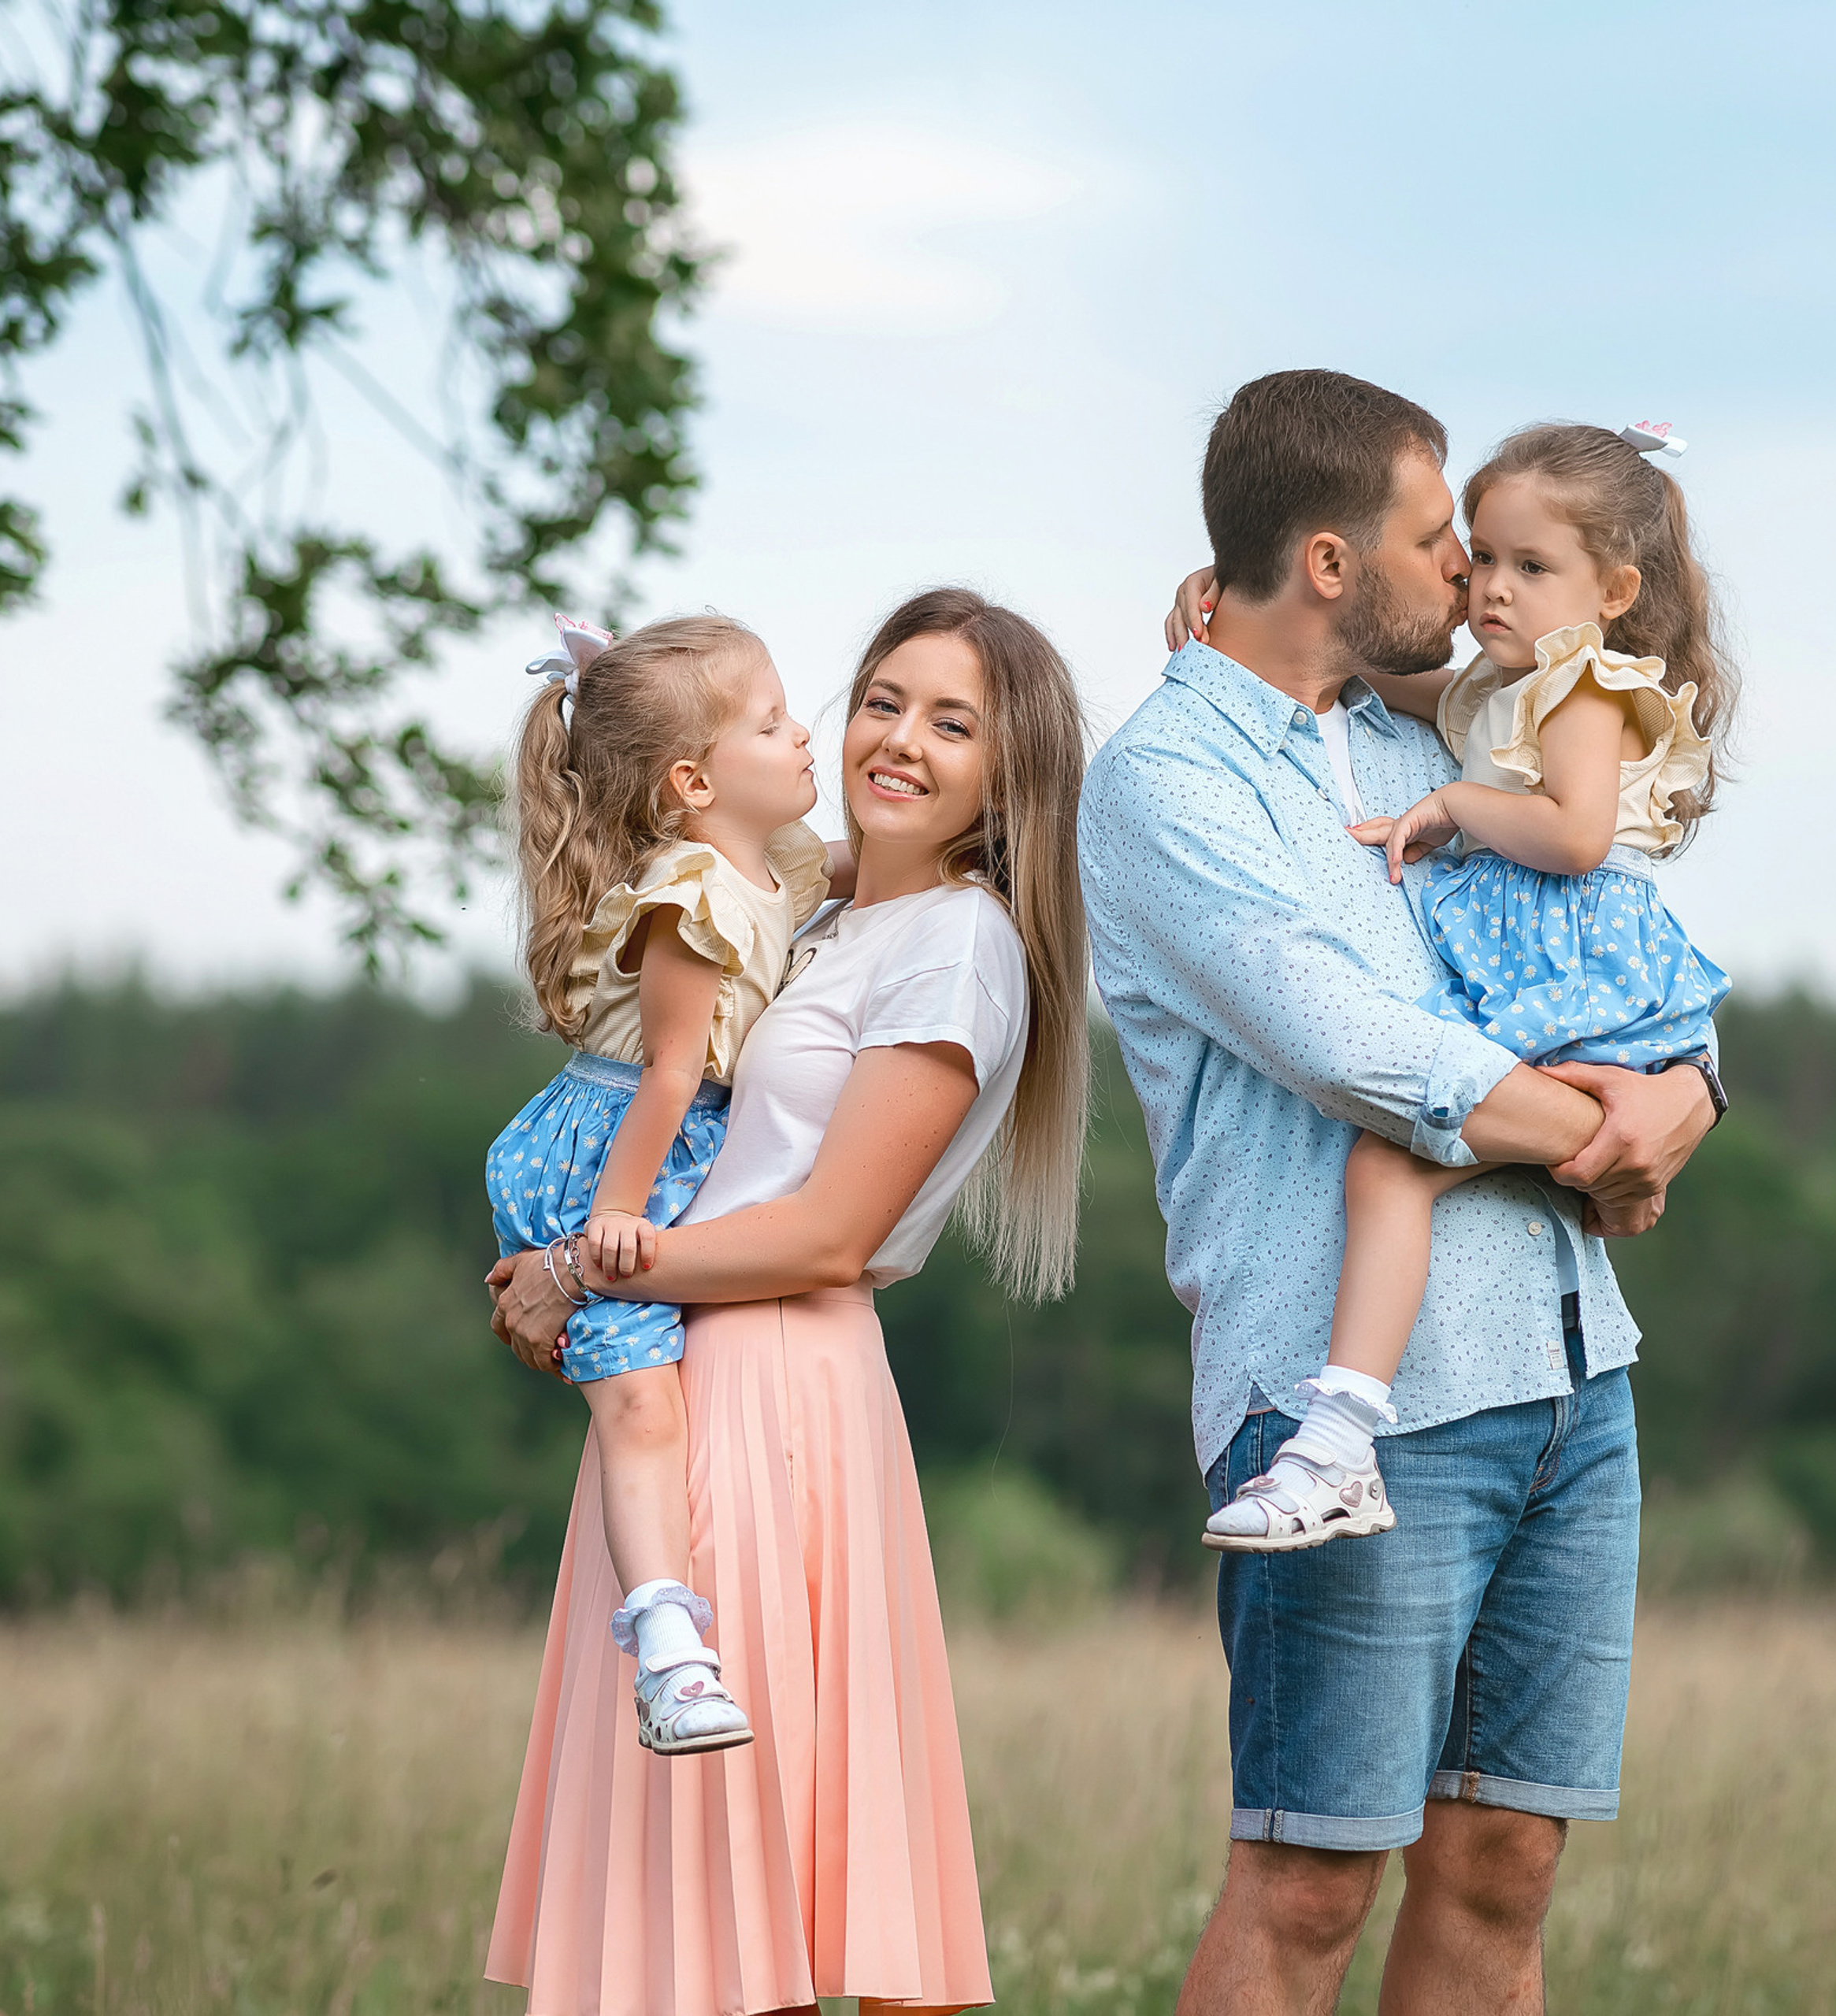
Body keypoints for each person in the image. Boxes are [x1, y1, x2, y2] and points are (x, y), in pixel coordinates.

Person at [1079, 369, 1721, 2014]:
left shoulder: (1429, 731)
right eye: (1437, 539)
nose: (1465, 571)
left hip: (1570, 1369)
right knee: (1306, 1879)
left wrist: (1688, 1085)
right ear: (1323, 560)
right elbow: (1353, 1047)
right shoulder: (1166, 784)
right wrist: (1602, 1134)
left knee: (1504, 1868)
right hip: (1354, 1401)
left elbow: (1609, 943)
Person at [484, 586, 1090, 2016]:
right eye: (883, 698)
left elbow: (826, 1233)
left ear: (1010, 775)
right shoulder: (808, 912)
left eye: (956, 723)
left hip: (781, 1382)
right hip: (690, 1366)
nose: (898, 739)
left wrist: (574, 1267)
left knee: (755, 1872)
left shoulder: (954, 944)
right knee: (695, 1881)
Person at [1189, 421, 1736, 1555]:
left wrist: (1455, 810)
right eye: (1478, 555)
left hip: (1571, 970)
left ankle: (1338, 1435)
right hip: (1539, 980)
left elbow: (1577, 837)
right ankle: (1341, 1435)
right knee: (1398, 1166)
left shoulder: (1585, 687)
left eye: (1527, 568)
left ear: (1616, 589)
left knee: (1394, 1162)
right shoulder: (1501, 684)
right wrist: (1233, 601)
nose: (1485, 586)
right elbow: (1381, 669)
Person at [488, 613, 835, 1756]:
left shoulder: (763, 861)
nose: (805, 737)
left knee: (664, 1401)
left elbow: (848, 870)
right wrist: (611, 1225)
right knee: (640, 1409)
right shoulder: (690, 896)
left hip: (660, 1140)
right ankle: (671, 1656)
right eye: (774, 722)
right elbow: (671, 1076)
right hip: (611, 1152)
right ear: (693, 781)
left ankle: (676, 1640)